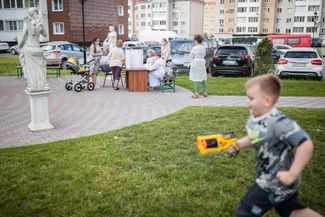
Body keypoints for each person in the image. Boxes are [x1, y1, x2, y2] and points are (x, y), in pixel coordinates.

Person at [227, 74, 322, 217]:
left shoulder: (279, 123)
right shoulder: (256, 118)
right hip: (277, 179)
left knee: (245, 211)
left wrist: (292, 174)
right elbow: (256, 137)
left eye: (251, 98)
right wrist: (238, 144)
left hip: (274, 180)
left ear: (267, 100)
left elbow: (306, 145)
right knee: (291, 211)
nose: (247, 102)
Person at [18, 7, 49, 92]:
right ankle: (43, 85)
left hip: (29, 50)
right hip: (38, 50)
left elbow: (24, 36)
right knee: (41, 68)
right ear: (36, 13)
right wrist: (41, 26)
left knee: (31, 70)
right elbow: (45, 34)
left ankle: (33, 86)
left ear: (30, 14)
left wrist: (19, 46)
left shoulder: (27, 23)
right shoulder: (40, 23)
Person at [189, 34, 207, 98]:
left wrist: (192, 59)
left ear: (196, 40)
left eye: (194, 40)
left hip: (196, 62)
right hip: (202, 62)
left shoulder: (194, 48)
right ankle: (205, 92)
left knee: (196, 77)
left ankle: (196, 93)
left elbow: (191, 56)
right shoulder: (203, 47)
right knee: (203, 77)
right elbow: (204, 55)